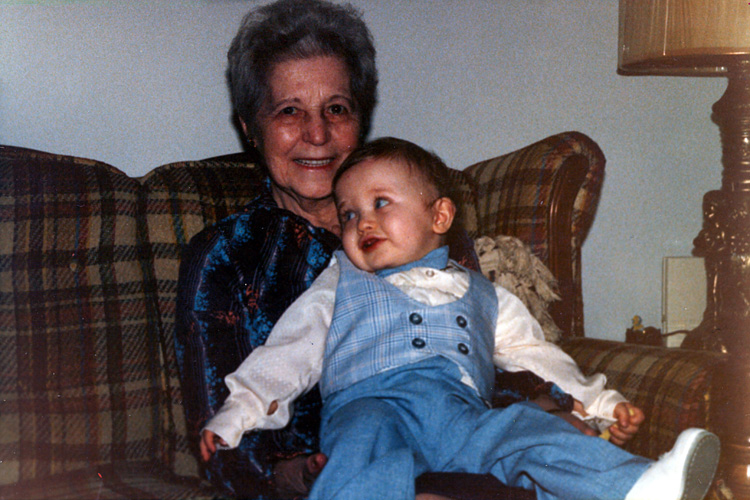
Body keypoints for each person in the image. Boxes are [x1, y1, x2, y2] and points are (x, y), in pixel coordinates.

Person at [175, 1, 628, 498]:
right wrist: (297, 474)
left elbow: (492, 357)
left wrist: (559, 413)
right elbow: (218, 436)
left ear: (360, 118)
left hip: (462, 451)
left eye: (337, 108)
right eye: (289, 111)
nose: (318, 133)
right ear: (249, 128)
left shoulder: (422, 226)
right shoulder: (225, 255)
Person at [200, 137, 721, 500]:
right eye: (350, 212)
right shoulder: (342, 280)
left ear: (440, 217)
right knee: (363, 450)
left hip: (461, 414)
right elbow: (289, 352)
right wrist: (237, 414)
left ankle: (634, 486)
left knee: (523, 430)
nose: (363, 221)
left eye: (381, 202)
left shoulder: (484, 293)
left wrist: (599, 401)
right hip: (372, 404)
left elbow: (538, 356)